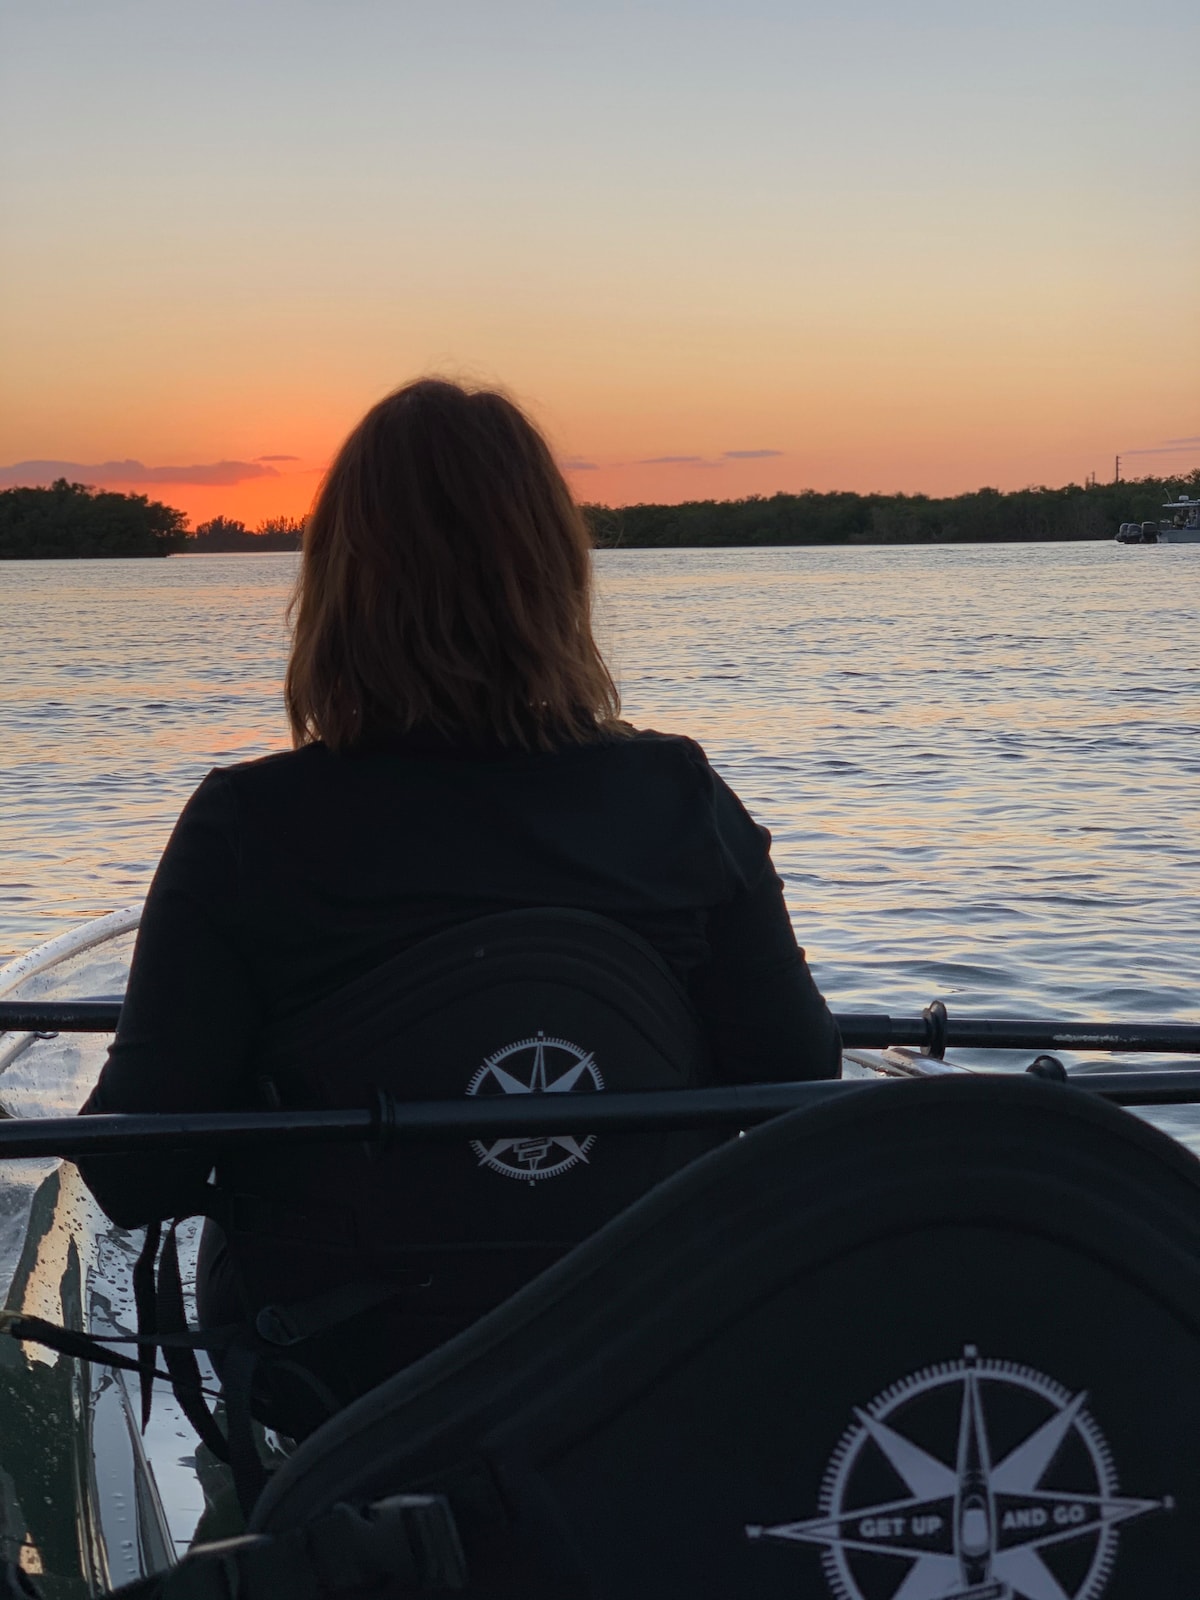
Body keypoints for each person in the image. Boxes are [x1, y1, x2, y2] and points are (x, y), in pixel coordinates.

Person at [77, 377, 840, 1434]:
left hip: (343, 1389)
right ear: (553, 572)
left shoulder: (250, 825)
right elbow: (799, 1082)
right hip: (635, 1363)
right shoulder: (679, 798)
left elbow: (137, 1173)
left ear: (337, 585)